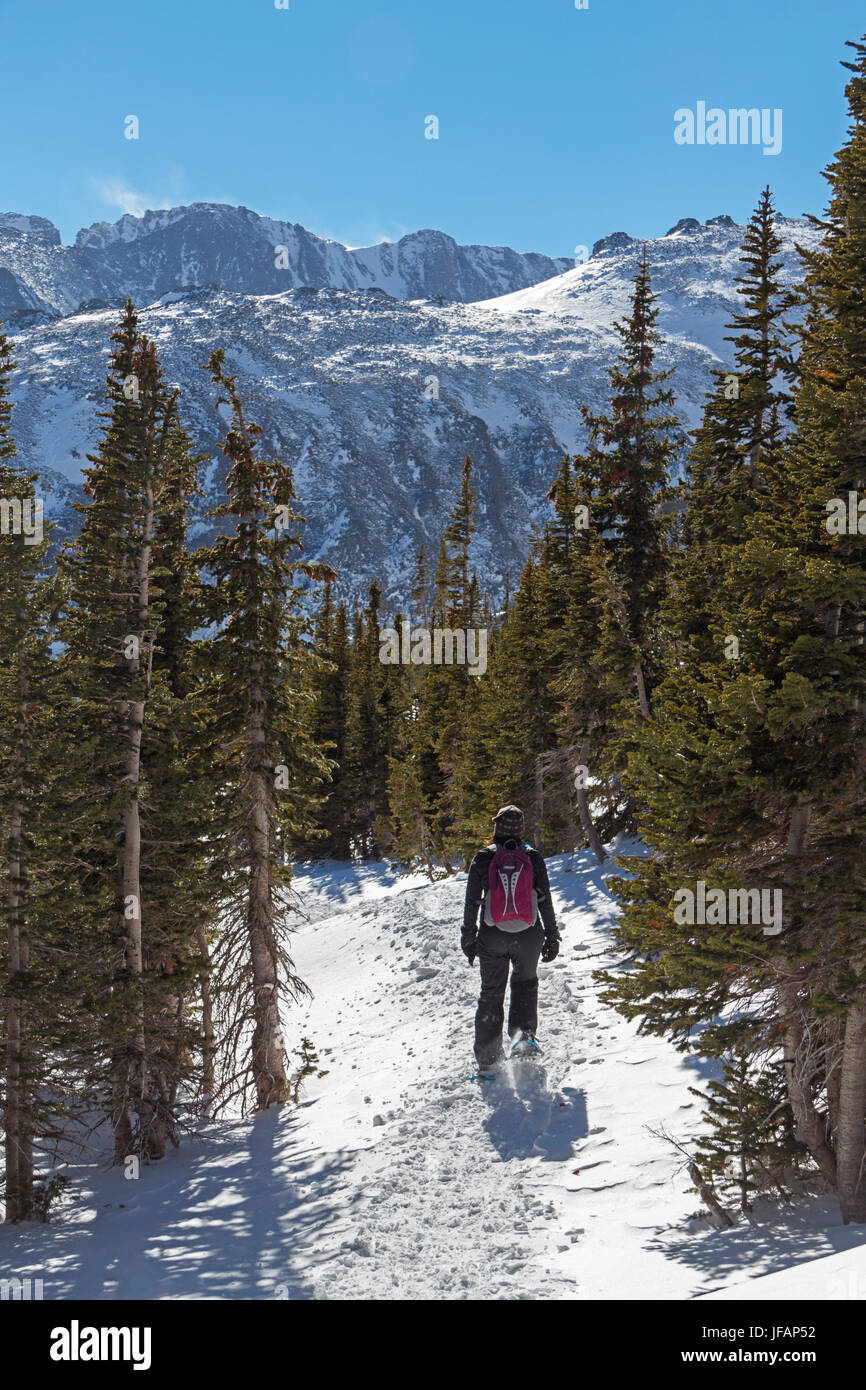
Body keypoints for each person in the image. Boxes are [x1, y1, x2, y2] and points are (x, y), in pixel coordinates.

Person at [461, 804, 561, 1070]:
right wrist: (552, 935)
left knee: (491, 993)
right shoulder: (533, 857)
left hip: (492, 935)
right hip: (529, 935)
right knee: (526, 983)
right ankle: (524, 1039)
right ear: (520, 829)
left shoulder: (483, 857)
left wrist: (468, 936)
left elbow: (472, 901)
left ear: (496, 828)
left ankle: (489, 1060)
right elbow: (544, 900)